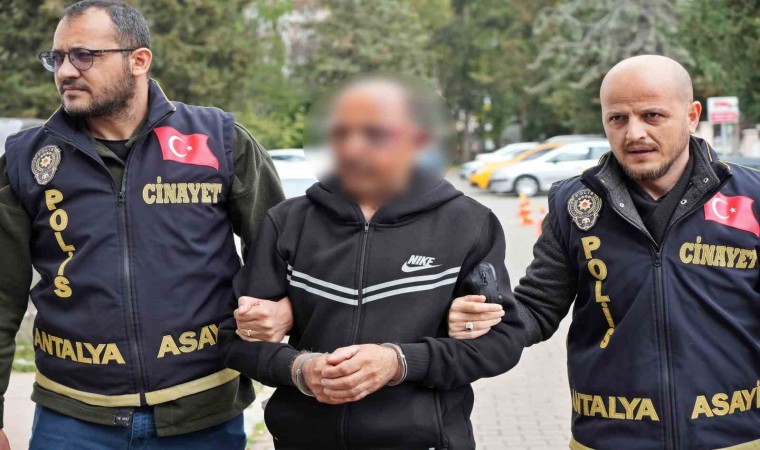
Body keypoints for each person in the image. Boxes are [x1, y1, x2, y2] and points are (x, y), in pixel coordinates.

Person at [0, 1, 284, 448]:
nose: (65, 71)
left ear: (139, 60)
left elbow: (281, 255)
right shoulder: (27, 159)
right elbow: (1, 295)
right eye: (57, 58)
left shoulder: (219, 140)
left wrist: (280, 317)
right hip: (72, 418)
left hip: (201, 414)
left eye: (84, 55)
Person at [449, 55, 760, 449]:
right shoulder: (574, 204)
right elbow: (538, 307)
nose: (634, 133)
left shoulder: (751, 197)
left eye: (652, 115)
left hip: (736, 436)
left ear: (691, 115)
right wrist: (481, 319)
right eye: (617, 118)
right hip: (608, 436)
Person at [219, 76, 526, 450]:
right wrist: (299, 369)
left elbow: (503, 343)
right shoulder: (287, 222)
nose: (352, 147)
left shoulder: (470, 223)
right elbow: (232, 340)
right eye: (342, 131)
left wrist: (399, 361)